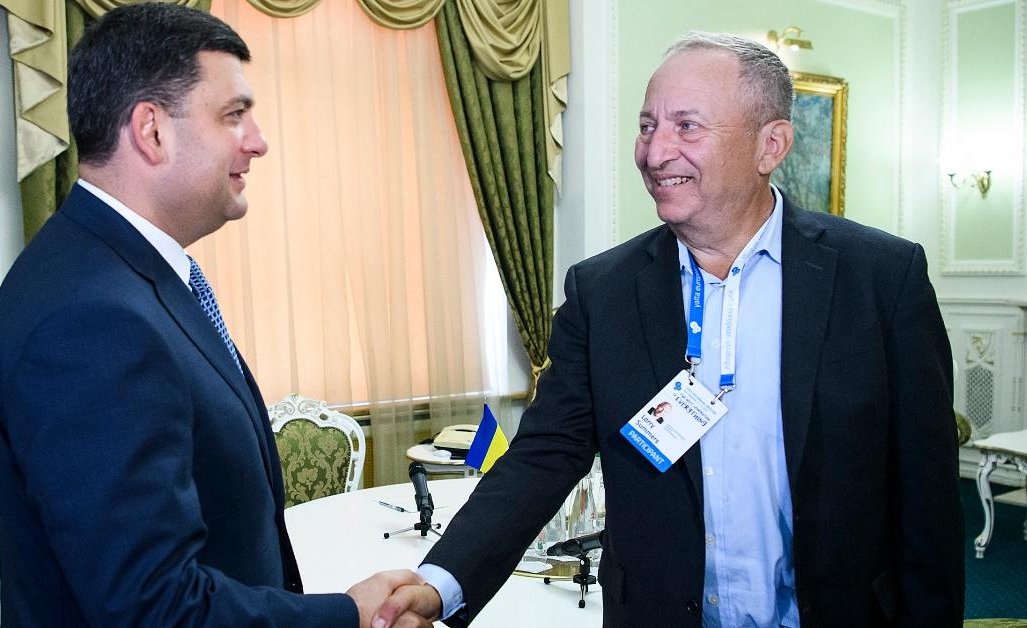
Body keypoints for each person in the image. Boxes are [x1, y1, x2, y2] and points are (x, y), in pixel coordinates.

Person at [374, 32, 964, 627]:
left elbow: (928, 495)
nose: (655, 153)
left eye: (687, 126)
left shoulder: (882, 279)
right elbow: (543, 457)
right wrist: (439, 584)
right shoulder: (602, 293)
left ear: (771, 145)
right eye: (647, 126)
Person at [0, 5, 428, 626]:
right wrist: (344, 617)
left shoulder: (121, 273)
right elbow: (153, 607)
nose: (258, 141)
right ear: (152, 131)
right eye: (233, 114)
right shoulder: (93, 320)